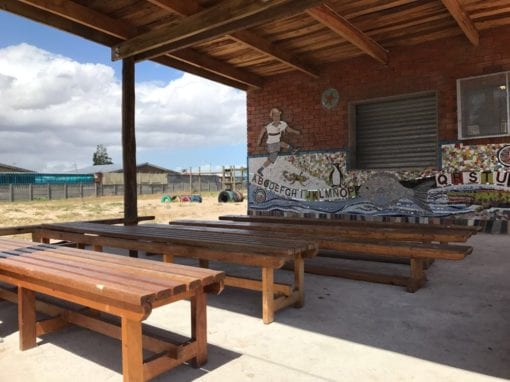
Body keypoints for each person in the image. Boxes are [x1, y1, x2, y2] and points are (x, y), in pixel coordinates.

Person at [256, 108, 300, 176]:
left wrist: (296, 132)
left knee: (280, 147)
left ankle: (260, 169)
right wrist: (259, 141)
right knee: (273, 157)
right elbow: (262, 131)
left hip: (277, 143)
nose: (277, 118)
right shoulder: (269, 126)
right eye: (275, 116)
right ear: (272, 117)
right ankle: (260, 169)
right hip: (271, 144)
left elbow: (288, 129)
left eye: (278, 116)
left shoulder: (282, 124)